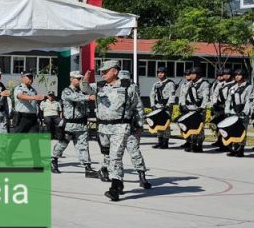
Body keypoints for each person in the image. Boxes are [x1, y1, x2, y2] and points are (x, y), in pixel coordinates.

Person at [89, 61, 145, 200]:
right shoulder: (100, 86)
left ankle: (115, 187)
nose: (102, 73)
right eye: (101, 71)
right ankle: (119, 184)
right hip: (103, 128)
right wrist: (84, 80)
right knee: (107, 155)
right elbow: (85, 89)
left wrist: (139, 126)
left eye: (105, 71)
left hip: (121, 127)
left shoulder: (128, 87)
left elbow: (138, 107)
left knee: (115, 156)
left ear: (115, 71)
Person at [50, 71, 97, 178]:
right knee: (62, 144)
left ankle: (88, 168)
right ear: (71, 79)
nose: (80, 81)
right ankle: (54, 160)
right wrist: (88, 97)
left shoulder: (83, 91)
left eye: (81, 79)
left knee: (83, 146)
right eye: (78, 79)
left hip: (82, 124)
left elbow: (89, 90)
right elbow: (75, 97)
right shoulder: (67, 91)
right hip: (70, 124)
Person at [4, 71, 45, 166]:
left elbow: (35, 104)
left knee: (34, 141)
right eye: (28, 77)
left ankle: (37, 162)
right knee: (16, 140)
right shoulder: (19, 88)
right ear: (22, 78)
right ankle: (8, 157)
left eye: (32, 77)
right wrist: (34, 97)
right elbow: (20, 96)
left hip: (33, 118)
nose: (31, 79)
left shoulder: (33, 90)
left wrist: (38, 116)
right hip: (22, 117)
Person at [177, 66, 211, 153]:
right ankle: (191, 143)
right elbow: (183, 95)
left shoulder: (204, 84)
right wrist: (183, 104)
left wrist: (202, 107)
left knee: (199, 128)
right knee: (189, 127)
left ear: (198, 75)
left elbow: (206, 97)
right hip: (189, 108)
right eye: (190, 74)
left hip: (199, 109)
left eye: (193, 73)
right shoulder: (189, 83)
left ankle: (199, 145)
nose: (191, 75)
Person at [224, 68, 253, 157]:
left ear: (243, 76)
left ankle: (240, 149)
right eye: (236, 75)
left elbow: (249, 101)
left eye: (239, 75)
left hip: (243, 111)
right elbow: (228, 100)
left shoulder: (249, 87)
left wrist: (245, 112)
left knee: (242, 131)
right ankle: (234, 149)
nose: (237, 77)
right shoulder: (233, 87)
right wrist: (227, 111)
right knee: (233, 131)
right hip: (234, 111)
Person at [149, 66, 177, 148]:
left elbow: (172, 96)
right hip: (158, 106)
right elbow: (152, 95)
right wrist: (152, 105)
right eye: (158, 73)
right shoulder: (156, 84)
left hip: (166, 107)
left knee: (165, 124)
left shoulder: (170, 84)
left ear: (165, 74)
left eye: (161, 73)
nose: (160, 74)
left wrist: (168, 105)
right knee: (158, 124)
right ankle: (160, 141)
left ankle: (165, 142)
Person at [209, 68, 233, 150]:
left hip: (227, 109)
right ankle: (220, 140)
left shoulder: (233, 85)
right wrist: (214, 104)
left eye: (222, 75)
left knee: (226, 127)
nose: (221, 77)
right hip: (218, 108)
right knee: (216, 125)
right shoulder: (219, 84)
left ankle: (226, 144)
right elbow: (214, 95)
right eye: (219, 75)